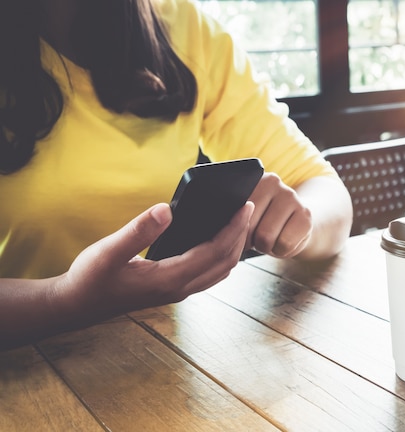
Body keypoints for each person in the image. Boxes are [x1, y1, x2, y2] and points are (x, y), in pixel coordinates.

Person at [0, 0, 353, 350]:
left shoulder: (185, 28)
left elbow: (326, 194)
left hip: (164, 360)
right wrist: (64, 300)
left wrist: (296, 224)